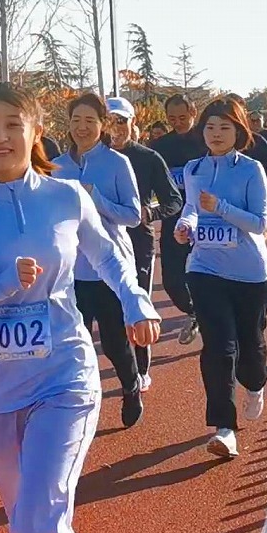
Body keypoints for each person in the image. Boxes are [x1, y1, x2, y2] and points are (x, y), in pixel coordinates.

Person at [0, 82, 159, 533]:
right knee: (24, 523)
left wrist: (136, 301)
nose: (0, 137)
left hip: (63, 375)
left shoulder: (66, 197)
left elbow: (108, 257)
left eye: (13, 125)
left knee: (39, 520)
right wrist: (0, 286)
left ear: (36, 131)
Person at [174, 97, 267, 457]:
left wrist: (221, 207)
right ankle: (224, 428)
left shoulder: (251, 170)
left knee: (250, 349)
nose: (216, 134)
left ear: (238, 131)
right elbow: (191, 208)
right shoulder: (193, 169)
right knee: (219, 347)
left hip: (250, 274)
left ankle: (256, 383)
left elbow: (259, 224)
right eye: (210, 127)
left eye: (224, 127)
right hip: (205, 268)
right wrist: (185, 226)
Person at [54, 93, 146, 427]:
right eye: (76, 120)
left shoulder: (117, 163)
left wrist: (95, 198)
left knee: (113, 342)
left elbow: (133, 215)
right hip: (70, 270)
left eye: (89, 121)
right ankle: (73, 403)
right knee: (71, 341)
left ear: (102, 124)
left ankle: (131, 385)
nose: (82, 127)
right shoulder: (56, 166)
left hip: (108, 268)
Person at [106, 97, 181, 392]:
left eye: (121, 121)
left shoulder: (149, 158)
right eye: (109, 120)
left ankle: (140, 369)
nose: (115, 127)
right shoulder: (88, 159)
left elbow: (173, 200)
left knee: (135, 306)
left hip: (137, 243)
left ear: (133, 123)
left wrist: (149, 213)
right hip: (95, 247)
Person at [150, 94, 207, 344]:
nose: (178, 123)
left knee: (204, 276)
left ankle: (212, 317)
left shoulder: (206, 140)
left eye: (182, 117)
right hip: (174, 218)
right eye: (172, 118)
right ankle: (195, 311)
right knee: (172, 281)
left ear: (193, 112)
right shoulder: (160, 147)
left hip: (206, 219)